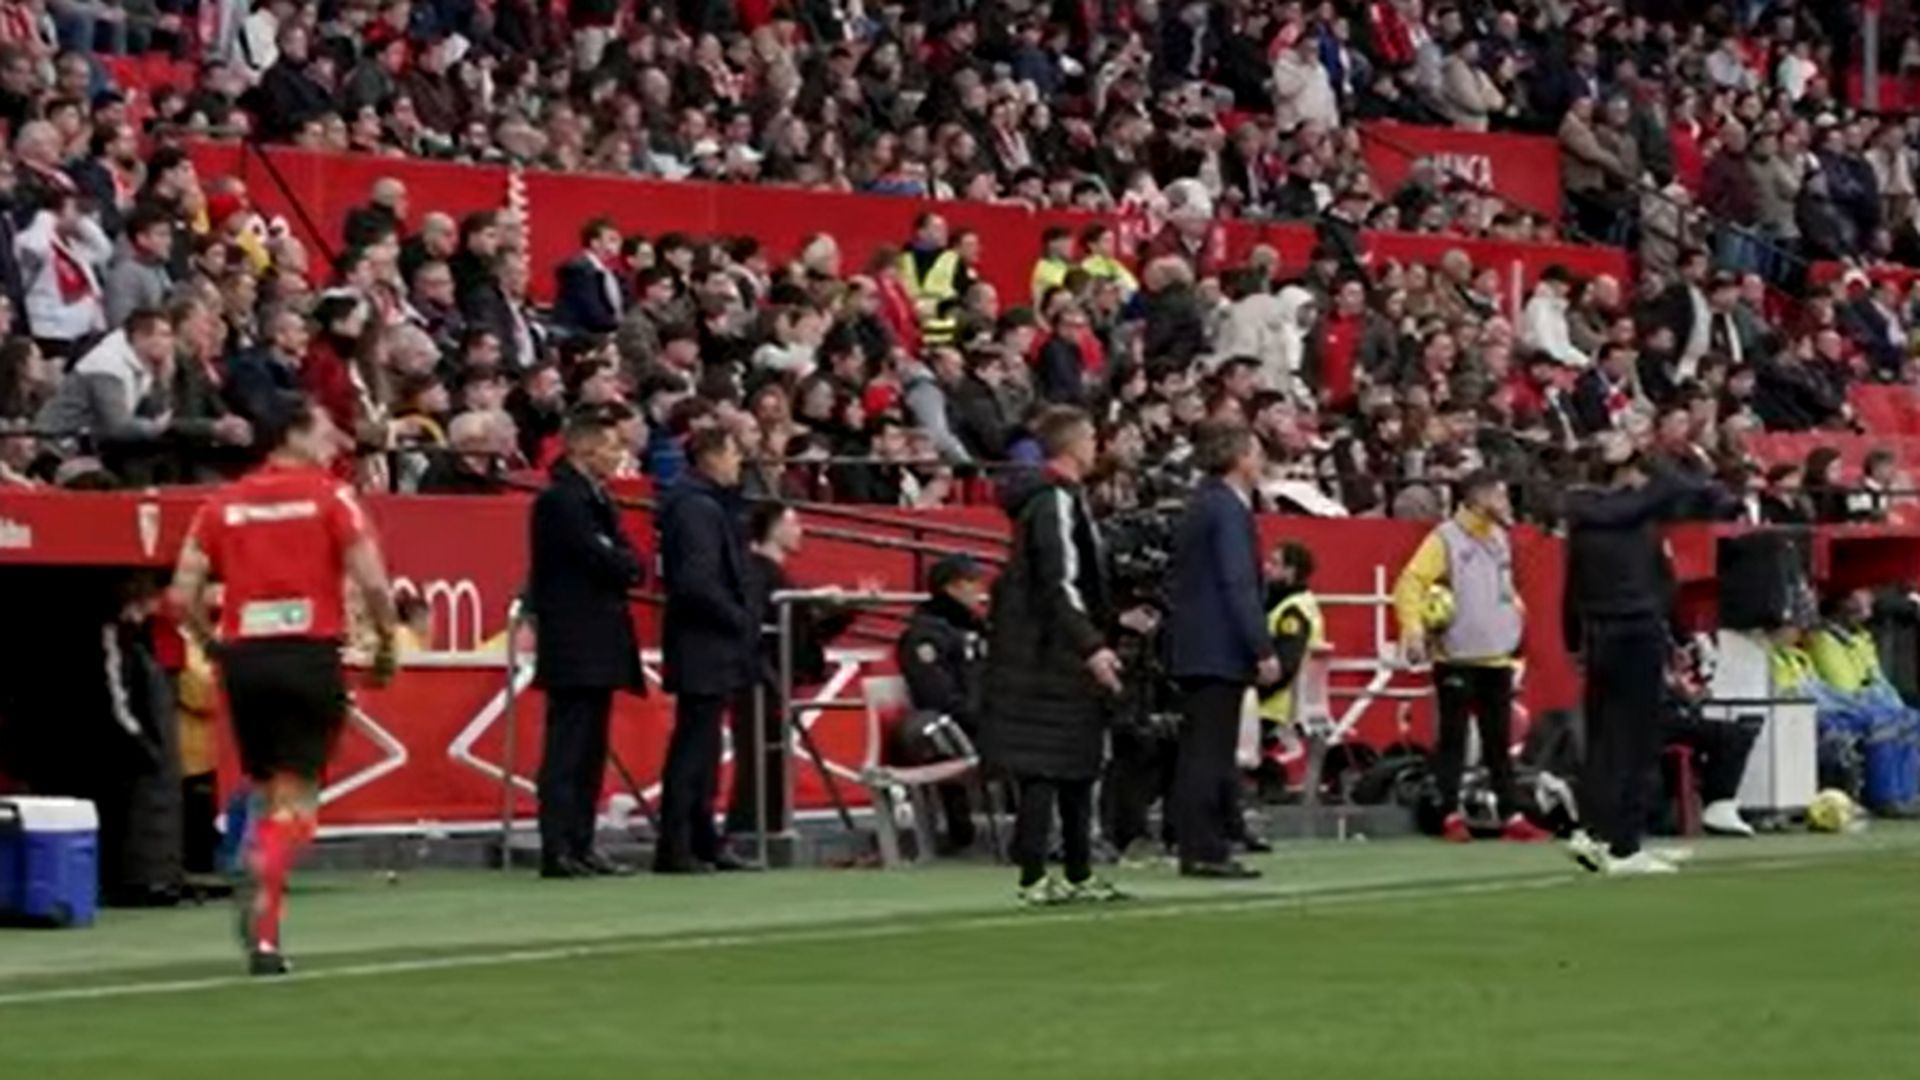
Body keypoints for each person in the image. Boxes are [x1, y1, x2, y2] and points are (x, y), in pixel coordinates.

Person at [167, 391, 398, 975]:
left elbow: (179, 594)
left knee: (271, 787)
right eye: (324, 428)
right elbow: (373, 584)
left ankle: (266, 929)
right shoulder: (332, 497)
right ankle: (264, 907)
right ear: (292, 434)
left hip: (244, 660)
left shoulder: (223, 503)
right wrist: (388, 644)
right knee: (296, 804)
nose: (335, 442)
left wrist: (212, 642)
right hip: (308, 656)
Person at [986, 405, 1128, 904]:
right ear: (1072, 445)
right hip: (1050, 655)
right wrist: (1090, 644)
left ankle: (1075, 869)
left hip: (1046, 650)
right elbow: (1060, 582)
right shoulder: (1055, 503)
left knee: (1072, 766)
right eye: (1090, 436)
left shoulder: (1058, 500)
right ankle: (1036, 874)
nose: (1096, 445)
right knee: (1048, 767)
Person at [1563, 435, 1723, 876]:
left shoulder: (1580, 517)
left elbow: (1570, 588)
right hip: (1635, 632)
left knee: (1602, 740)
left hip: (1599, 634)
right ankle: (1624, 846)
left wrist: (1573, 641)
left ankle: (1592, 832)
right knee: (1635, 741)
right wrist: (1644, 450)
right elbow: (1684, 489)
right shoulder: (1632, 516)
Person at [1393, 470, 1551, 843]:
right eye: (1499, 495)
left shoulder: (1500, 538)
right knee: (1453, 739)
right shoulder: (1445, 538)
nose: (1506, 503)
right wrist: (1413, 630)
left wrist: (1515, 623)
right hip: (1457, 655)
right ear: (1479, 497)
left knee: (1499, 741)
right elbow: (1410, 581)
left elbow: (1506, 588)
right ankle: (1448, 813)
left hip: (1496, 656)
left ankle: (1511, 814)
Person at [527, 404, 645, 879]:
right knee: (568, 748)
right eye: (612, 445)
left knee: (592, 747)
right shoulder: (561, 501)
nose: (618, 455)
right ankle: (558, 846)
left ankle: (582, 841)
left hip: (598, 637)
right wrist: (619, 560)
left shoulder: (597, 499)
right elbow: (604, 558)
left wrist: (621, 560)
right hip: (574, 638)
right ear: (584, 447)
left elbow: (627, 559)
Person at [1167, 421, 1279, 879]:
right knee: (1210, 751)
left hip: (1197, 643)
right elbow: (1237, 582)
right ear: (1238, 458)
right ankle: (1205, 847)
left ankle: (1197, 839)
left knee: (1200, 747)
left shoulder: (1202, 505)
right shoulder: (1228, 511)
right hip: (1218, 648)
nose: (1262, 462)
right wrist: (1261, 645)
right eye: (1256, 452)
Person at [655, 426, 758, 873]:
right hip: (703, 641)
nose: (739, 464)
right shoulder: (697, 508)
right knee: (694, 746)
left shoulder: (701, 505)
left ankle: (701, 837)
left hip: (704, 639)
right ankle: (678, 843)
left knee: (704, 744)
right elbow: (697, 581)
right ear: (713, 457)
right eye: (734, 454)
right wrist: (737, 619)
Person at [725, 501, 851, 850]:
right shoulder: (758, 574)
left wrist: (843, 612)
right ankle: (751, 829)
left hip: (777, 673)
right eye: (793, 523)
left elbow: (803, 633)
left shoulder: (777, 577)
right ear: (774, 528)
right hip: (759, 673)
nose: (800, 531)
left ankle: (767, 824)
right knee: (758, 755)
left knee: (772, 756)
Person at [897, 553, 991, 854]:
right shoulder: (926, 635)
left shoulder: (977, 629)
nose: (979, 592)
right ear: (951, 587)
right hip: (958, 727)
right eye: (972, 584)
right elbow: (935, 694)